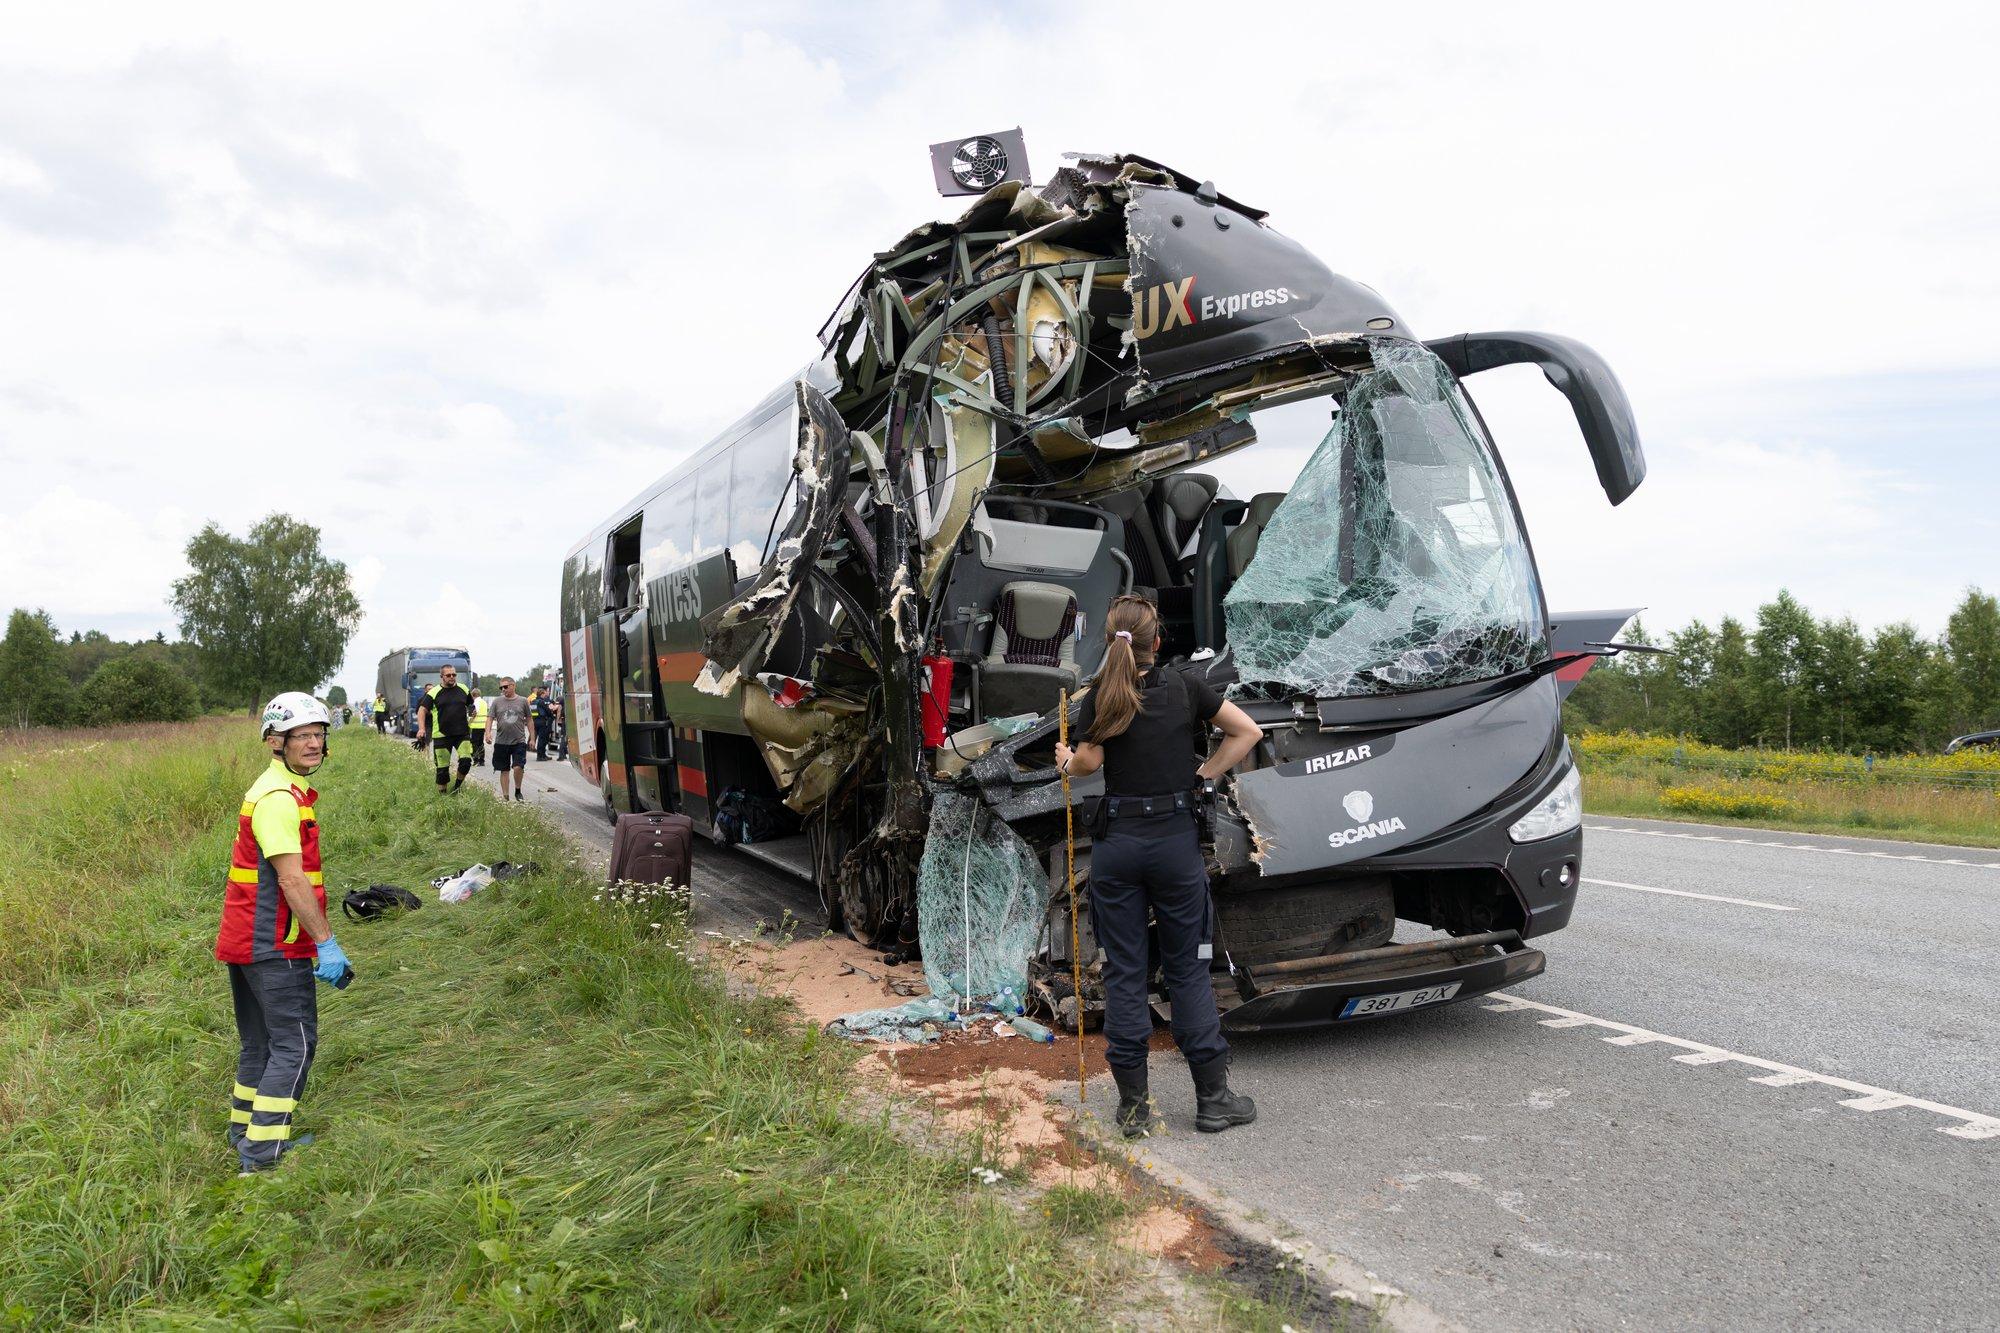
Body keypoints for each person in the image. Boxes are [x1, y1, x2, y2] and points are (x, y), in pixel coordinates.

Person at [1054, 593, 1264, 1138]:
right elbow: (1248, 733)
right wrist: (1204, 775)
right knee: (1189, 968)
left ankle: (1133, 1111)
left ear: (1111, 641)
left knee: (1125, 974)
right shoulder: (1186, 686)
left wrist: (1065, 761)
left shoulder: (1101, 694)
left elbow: (1087, 764)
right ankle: (1213, 1101)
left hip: (1118, 849)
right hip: (1175, 849)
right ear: (1159, 641)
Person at [215, 692, 351, 1173]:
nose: (314, 744)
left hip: (247, 937)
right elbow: (292, 879)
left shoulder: (279, 789)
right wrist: (326, 943)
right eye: (302, 736)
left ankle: (243, 1133)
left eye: (319, 734)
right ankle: (262, 1156)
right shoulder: (277, 799)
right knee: (294, 1044)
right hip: (274, 941)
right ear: (276, 742)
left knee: (260, 1044)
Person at [416, 666, 476, 793]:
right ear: (442, 677)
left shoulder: (463, 688)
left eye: (454, 675)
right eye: (448, 675)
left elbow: (470, 704)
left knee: (465, 762)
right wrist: (421, 729)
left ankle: (457, 788)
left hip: (462, 732)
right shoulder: (433, 692)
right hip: (441, 734)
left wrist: (472, 710)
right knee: (442, 770)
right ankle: (443, 798)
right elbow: (422, 710)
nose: (452, 677)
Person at [488, 677, 532, 802]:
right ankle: (506, 797)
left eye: (505, 687)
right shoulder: (497, 701)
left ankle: (518, 791)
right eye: (501, 687)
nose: (503, 689)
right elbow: (490, 718)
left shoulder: (523, 701)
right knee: (504, 769)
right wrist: (488, 733)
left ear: (513, 686)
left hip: (519, 740)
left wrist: (532, 738)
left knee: (518, 767)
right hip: (501, 741)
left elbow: (529, 719)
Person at [531, 685, 554, 761]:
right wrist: (551, 716)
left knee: (540, 739)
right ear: (541, 694)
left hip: (535, 722)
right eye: (544, 694)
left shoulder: (533, 702)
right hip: (542, 722)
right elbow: (547, 710)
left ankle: (543, 755)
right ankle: (540, 756)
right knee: (542, 739)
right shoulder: (541, 702)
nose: (545, 695)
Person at [467, 687, 489, 767]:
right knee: (480, 744)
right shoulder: (484, 702)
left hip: (475, 726)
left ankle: (476, 760)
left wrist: (468, 722)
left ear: (473, 695)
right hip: (483, 726)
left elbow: (473, 713)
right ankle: (482, 761)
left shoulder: (475, 702)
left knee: (474, 744)